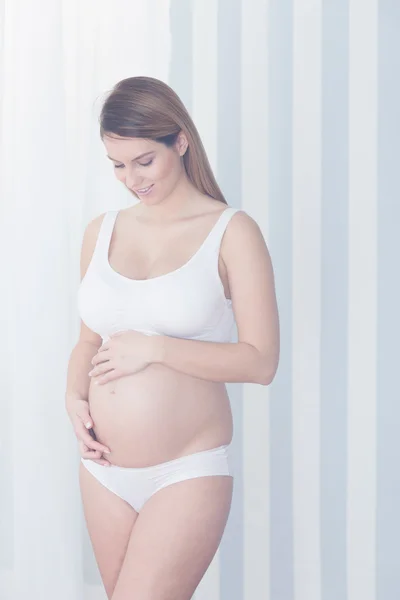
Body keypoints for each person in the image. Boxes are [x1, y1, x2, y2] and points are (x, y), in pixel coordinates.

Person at [65, 75, 280, 600]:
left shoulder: (232, 231)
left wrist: (155, 348)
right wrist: (73, 397)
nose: (131, 178)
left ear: (179, 141)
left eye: (144, 161)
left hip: (186, 470)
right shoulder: (102, 230)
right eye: (117, 165)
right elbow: (88, 340)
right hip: (104, 470)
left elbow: (260, 362)